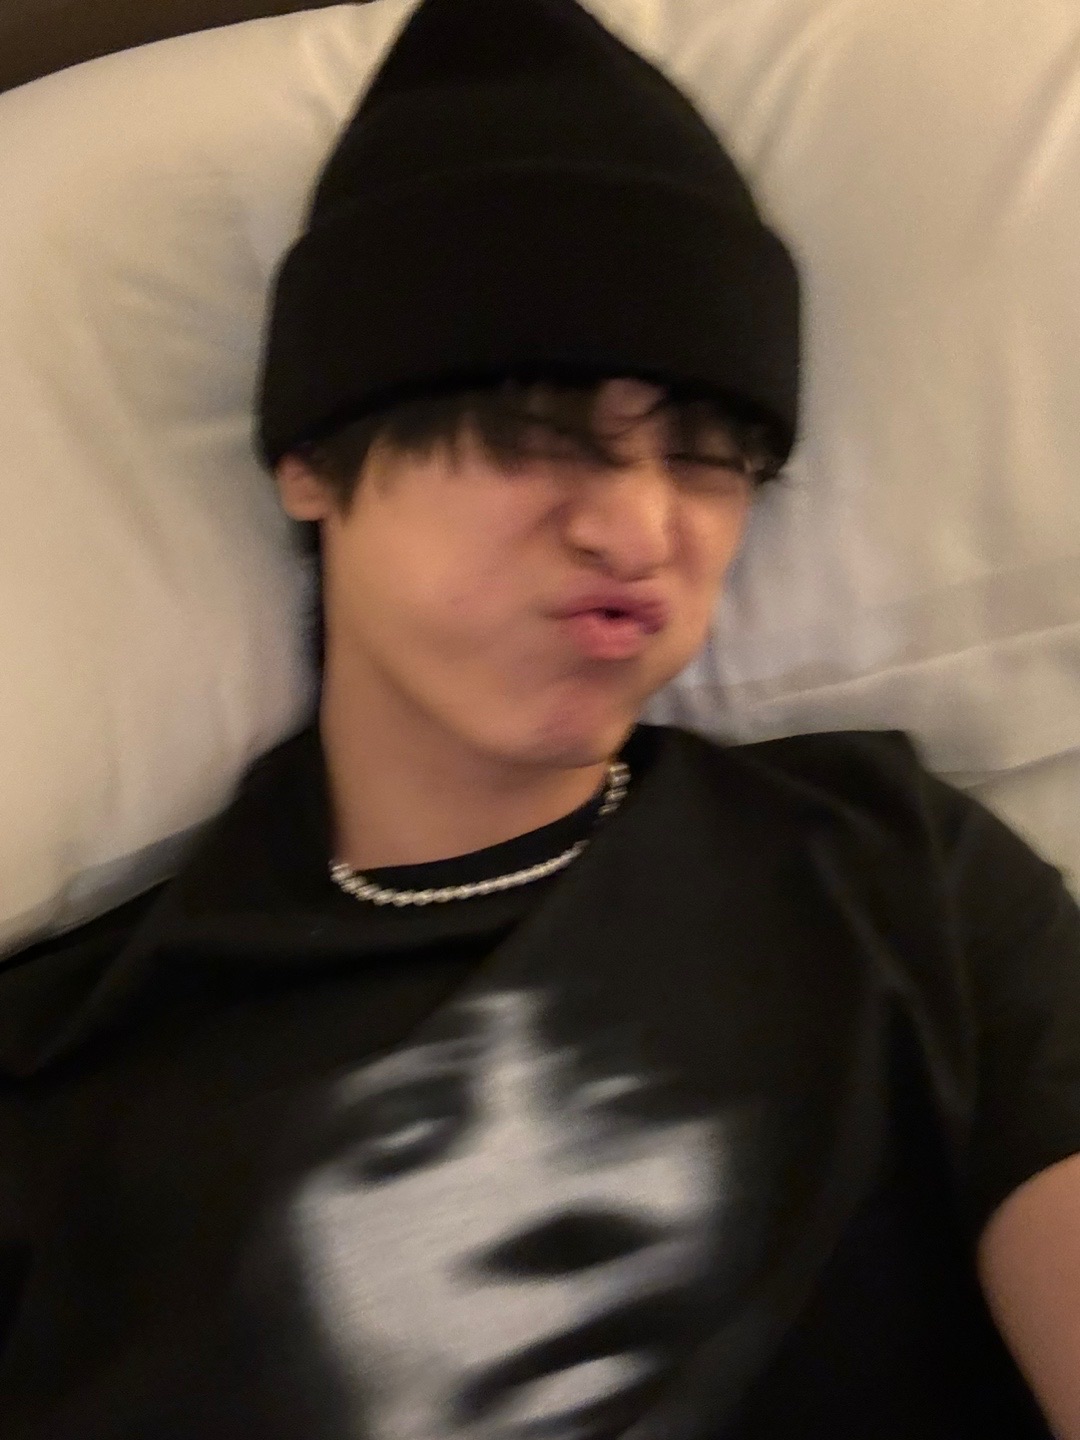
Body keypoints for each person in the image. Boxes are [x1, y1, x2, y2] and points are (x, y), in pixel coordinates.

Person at [1, 0, 1079, 1436]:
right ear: (313, 457)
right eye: (536, 428)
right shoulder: (62, 1069)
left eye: (709, 451)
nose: (639, 527)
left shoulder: (898, 880)